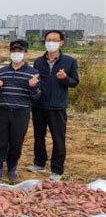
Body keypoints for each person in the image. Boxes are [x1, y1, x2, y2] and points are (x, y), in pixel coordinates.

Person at [28, 30, 79, 181]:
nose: (51, 42)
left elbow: (74, 82)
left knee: (58, 138)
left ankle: (57, 169)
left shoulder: (69, 62)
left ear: (61, 42)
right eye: (48, 39)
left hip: (57, 106)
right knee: (38, 136)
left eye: (54, 40)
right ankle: (39, 162)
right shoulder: (38, 61)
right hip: (39, 104)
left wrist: (65, 78)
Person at [0, 39, 41, 184]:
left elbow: (37, 96)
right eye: (13, 51)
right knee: (0, 142)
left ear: (26, 53)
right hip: (4, 111)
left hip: (21, 112)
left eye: (19, 51)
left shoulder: (33, 73)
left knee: (16, 142)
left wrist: (32, 86)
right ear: (9, 53)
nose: (16, 54)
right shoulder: (3, 71)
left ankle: (12, 169)